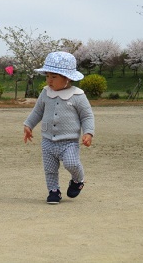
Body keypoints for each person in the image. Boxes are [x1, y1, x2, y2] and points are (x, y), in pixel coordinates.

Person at [23, 51, 94, 204]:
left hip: (68, 142)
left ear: (67, 78)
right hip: (48, 141)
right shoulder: (45, 93)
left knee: (72, 163)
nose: (49, 80)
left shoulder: (78, 95)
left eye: (54, 77)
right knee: (50, 169)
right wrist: (28, 125)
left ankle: (78, 179)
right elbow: (37, 111)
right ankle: (53, 191)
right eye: (47, 76)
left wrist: (88, 132)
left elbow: (87, 116)